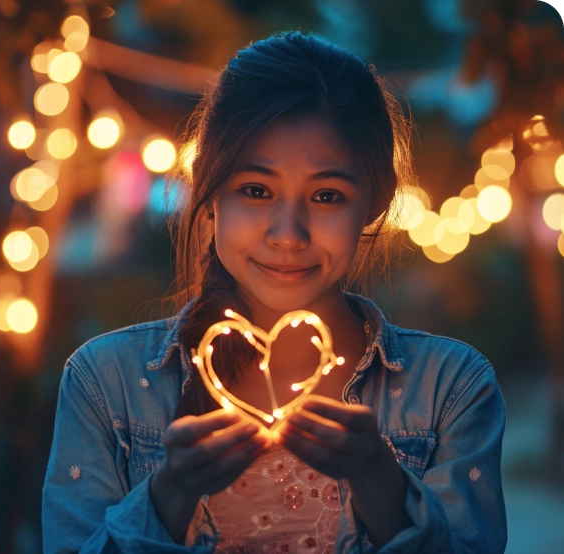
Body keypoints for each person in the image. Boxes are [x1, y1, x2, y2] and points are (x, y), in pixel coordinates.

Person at [42, 32, 507, 553]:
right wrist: (169, 494)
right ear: (209, 189)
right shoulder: (107, 385)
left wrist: (382, 484)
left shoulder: (450, 391)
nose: (288, 233)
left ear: (377, 201)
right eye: (256, 191)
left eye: (327, 196)